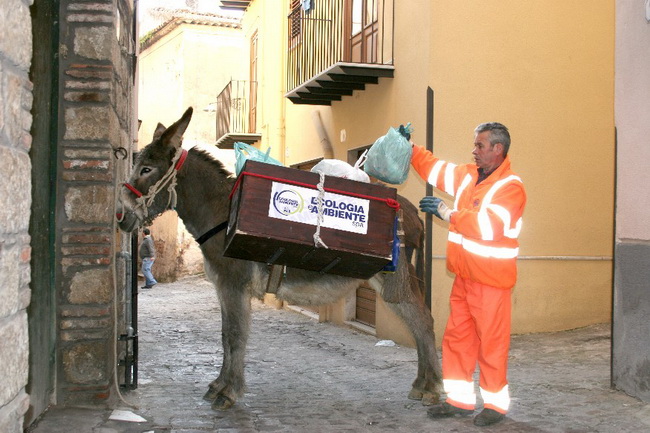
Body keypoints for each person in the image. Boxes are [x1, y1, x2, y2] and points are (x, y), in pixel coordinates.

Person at [410, 122, 527, 427]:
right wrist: (408, 149)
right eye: (475, 145)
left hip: (491, 283)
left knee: (491, 345)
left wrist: (448, 214)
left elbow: (489, 228)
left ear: (497, 149)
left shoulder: (510, 187)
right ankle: (459, 401)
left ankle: (495, 406)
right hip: (464, 278)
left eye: (480, 146)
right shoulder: (468, 175)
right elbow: (434, 169)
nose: (474, 151)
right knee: (458, 340)